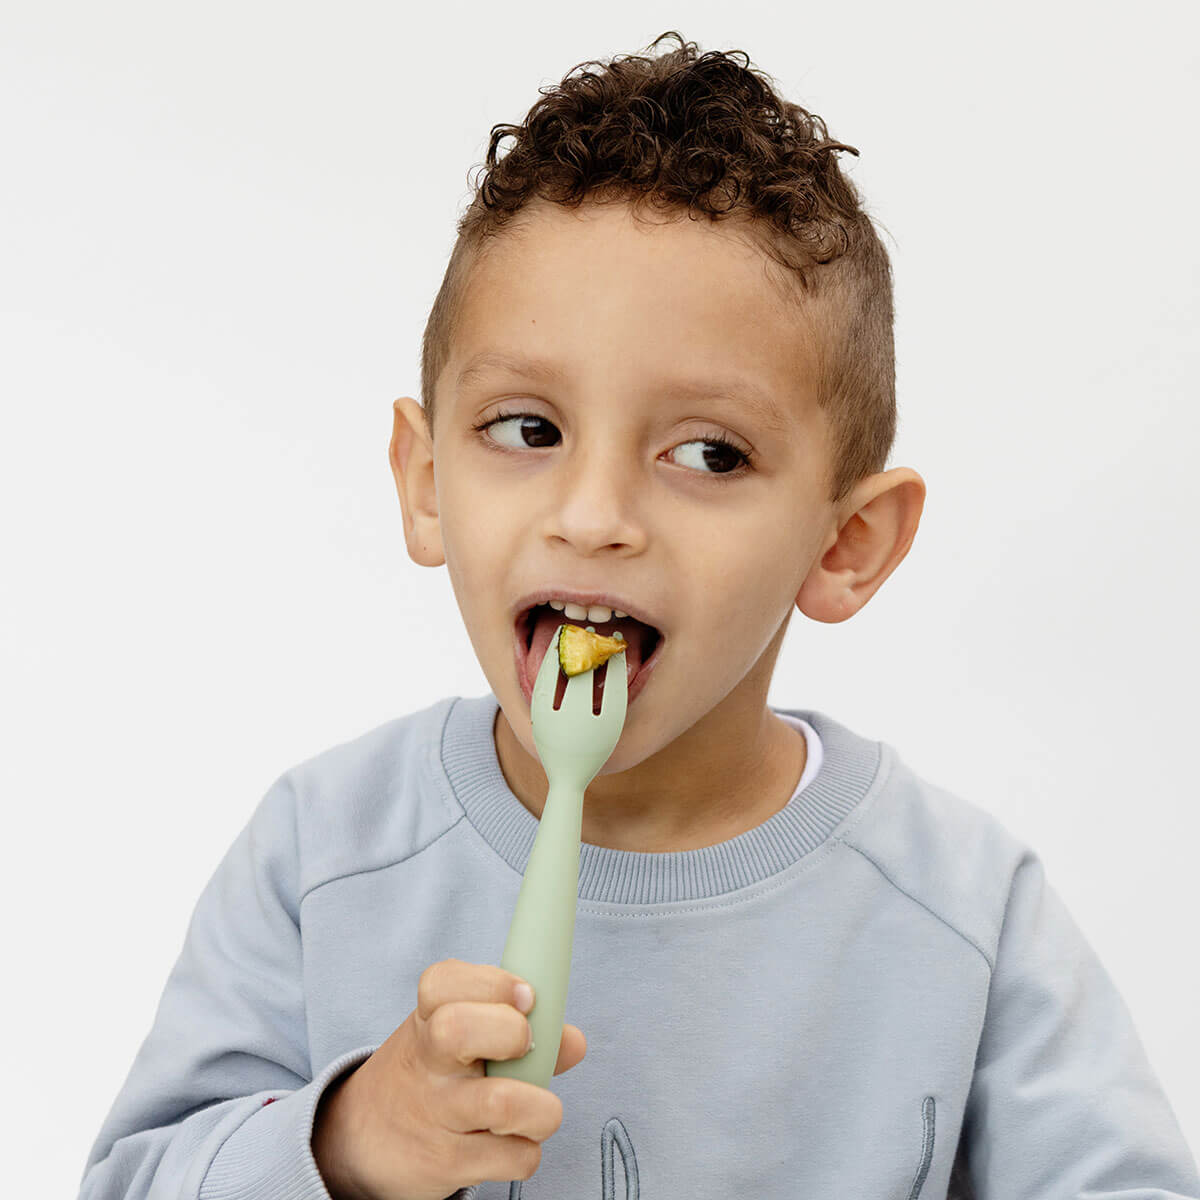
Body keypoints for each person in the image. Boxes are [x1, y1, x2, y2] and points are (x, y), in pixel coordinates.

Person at [78, 30, 1199, 1200]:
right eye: (528, 429)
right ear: (426, 482)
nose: (593, 515)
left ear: (846, 544)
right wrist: (351, 1142)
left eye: (708, 453)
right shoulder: (327, 853)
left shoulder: (962, 911)